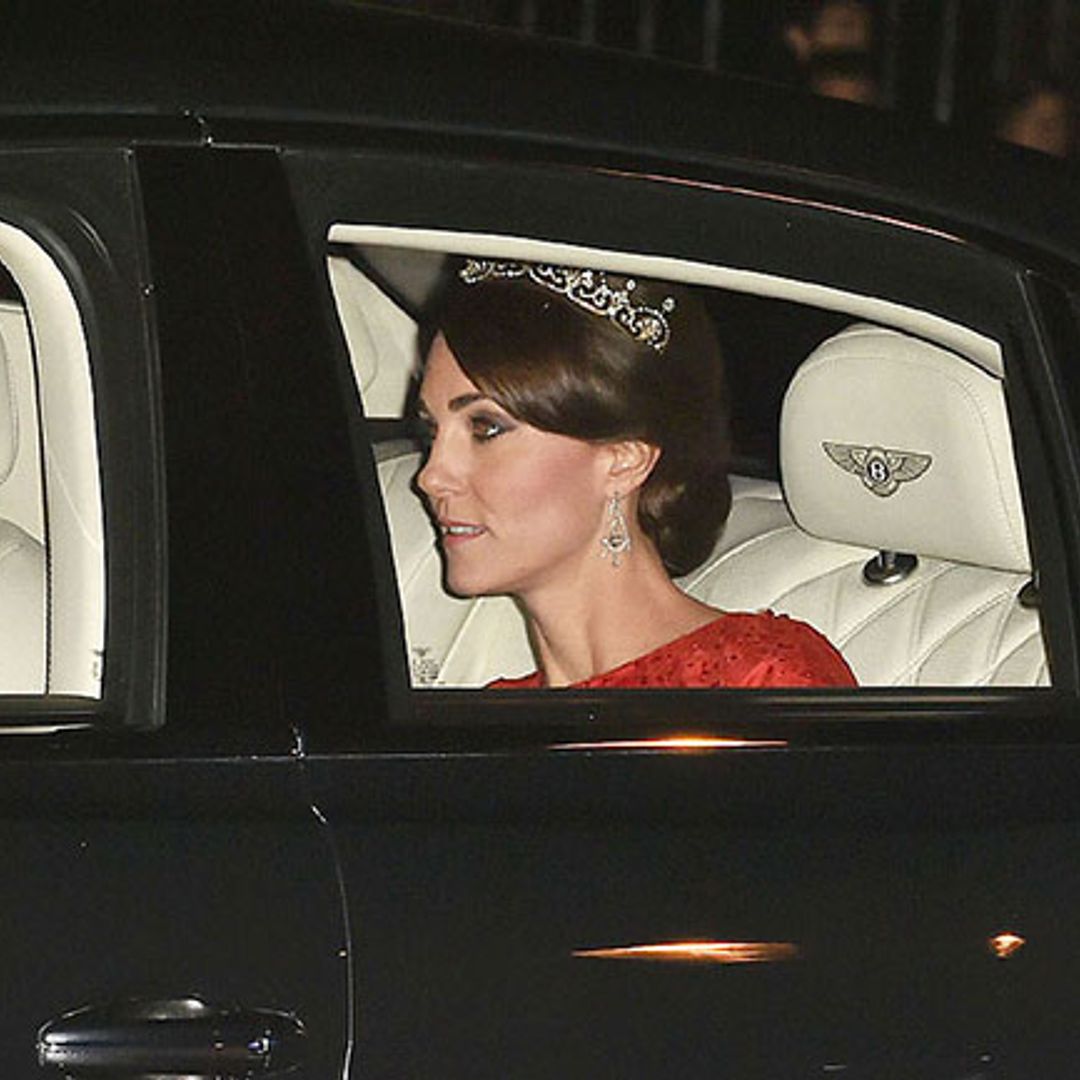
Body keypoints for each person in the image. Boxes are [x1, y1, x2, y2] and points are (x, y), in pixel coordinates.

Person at [415, 259, 856, 690]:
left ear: (624, 460)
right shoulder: (494, 719)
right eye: (431, 431)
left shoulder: (762, 685)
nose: (432, 477)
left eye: (485, 429)